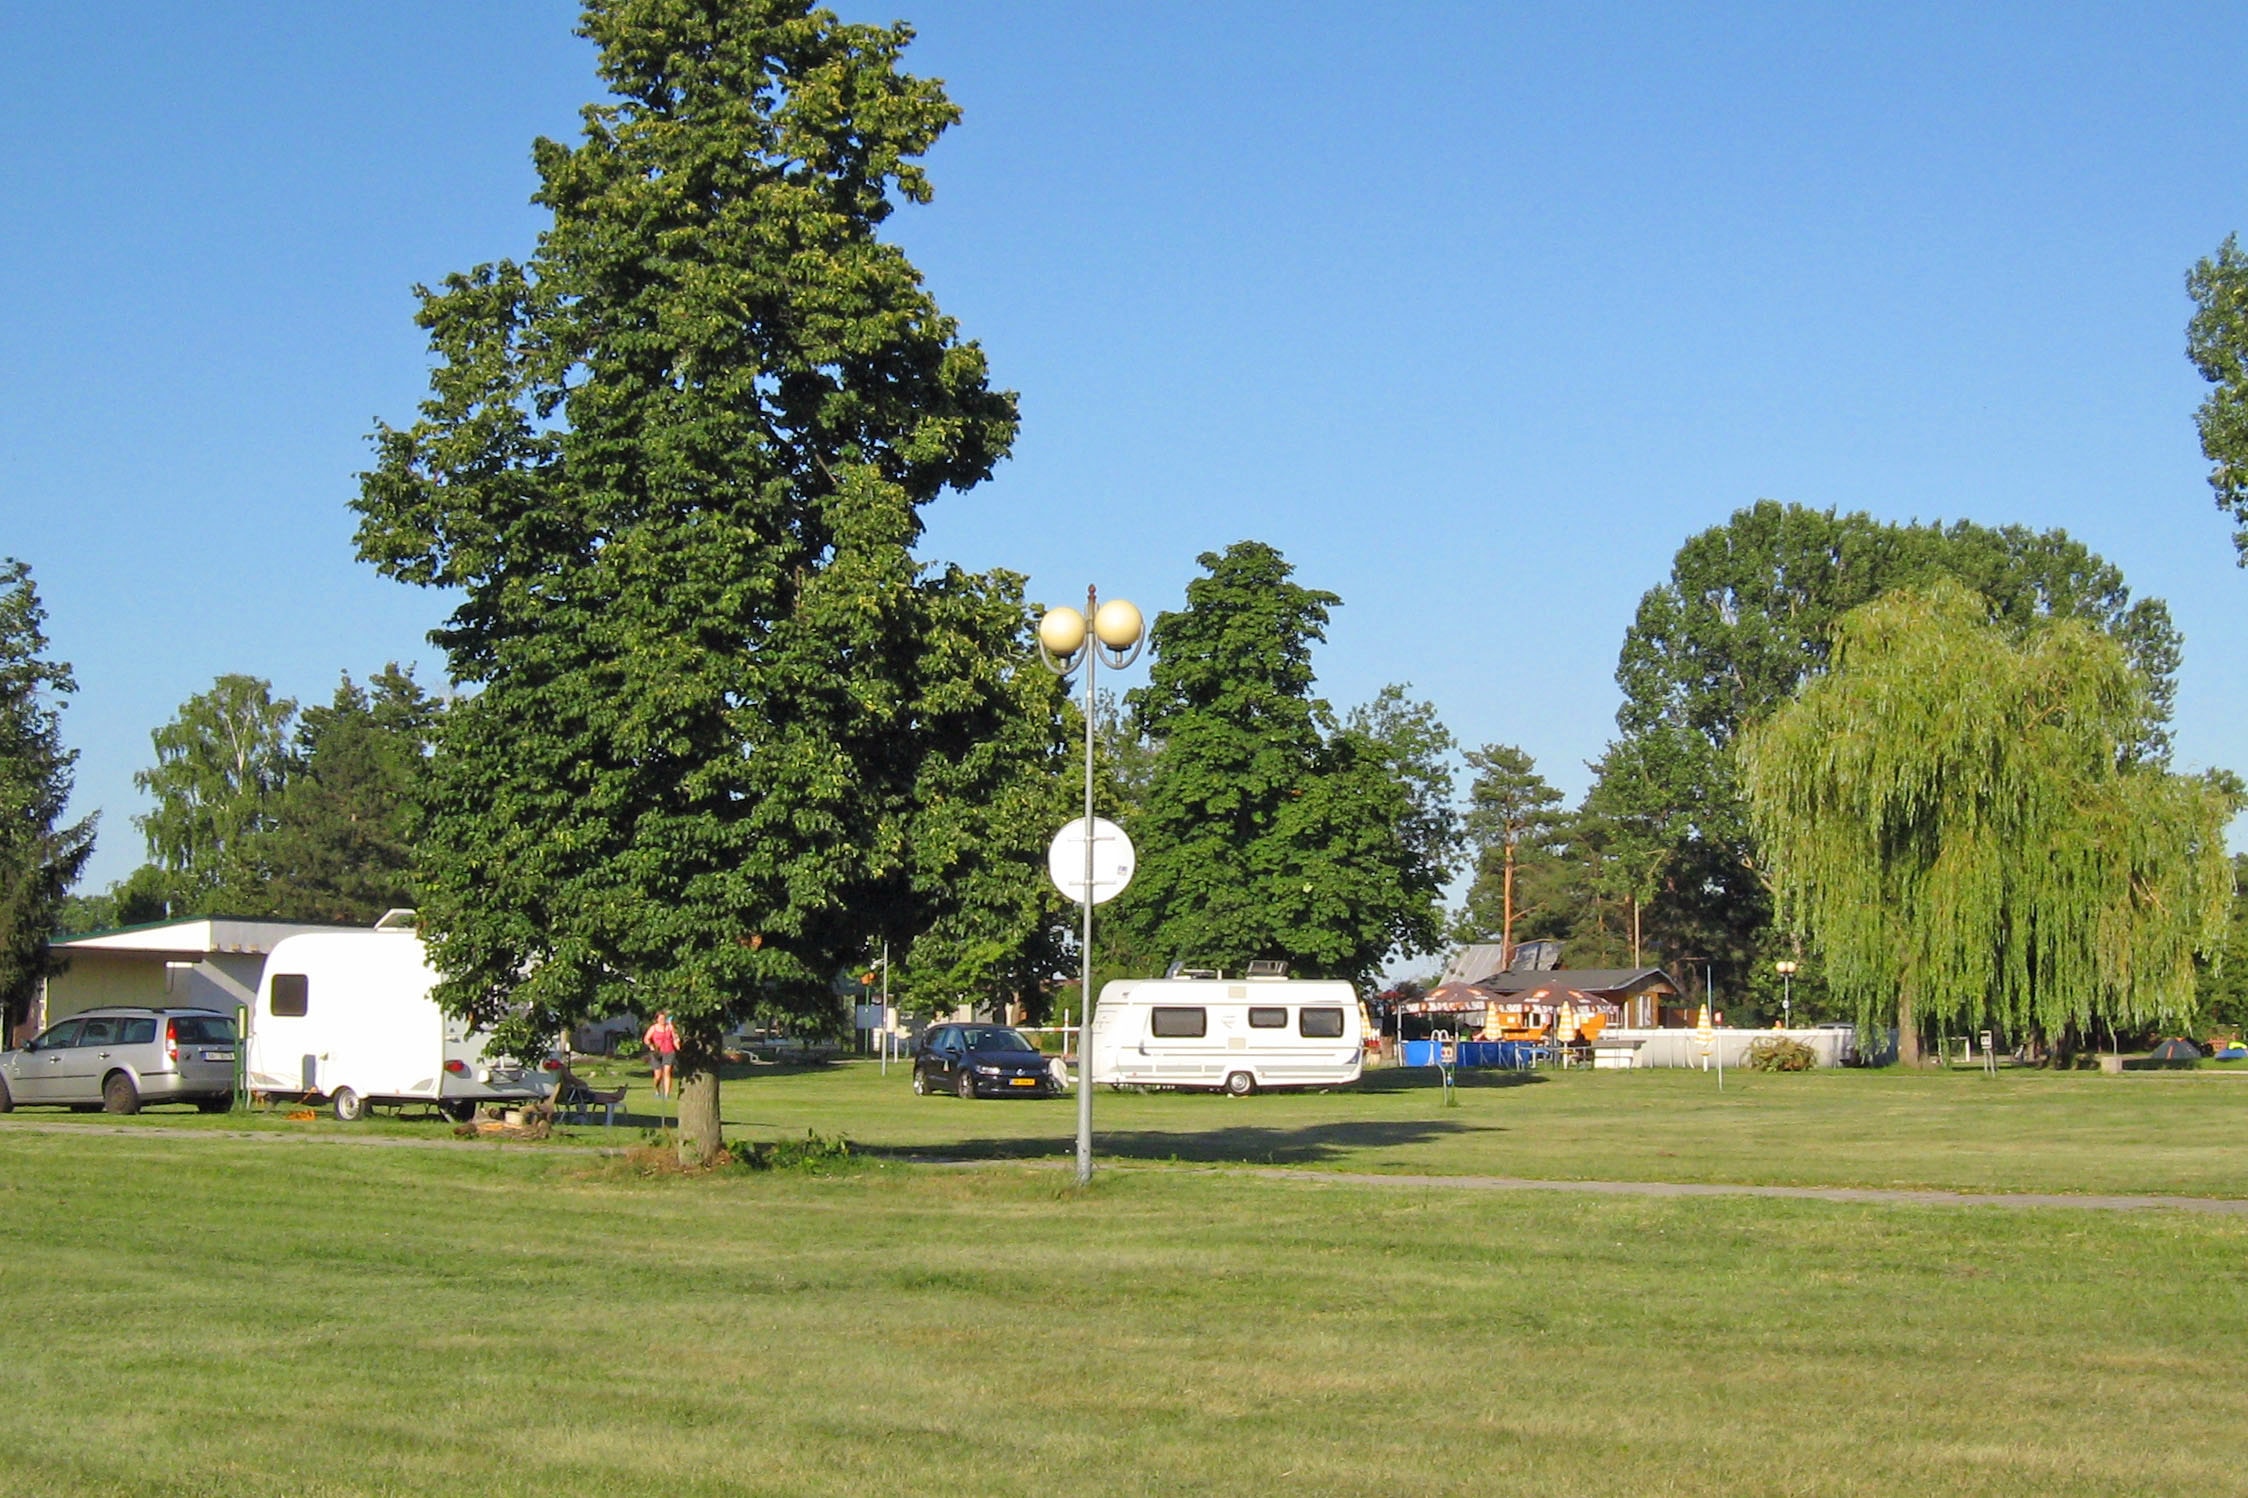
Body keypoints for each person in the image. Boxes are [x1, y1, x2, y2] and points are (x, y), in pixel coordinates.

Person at [643, 1011, 680, 1097]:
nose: (663, 1021)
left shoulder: (669, 1027)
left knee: (667, 1072)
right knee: (658, 1075)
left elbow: (675, 1037)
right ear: (657, 1020)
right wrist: (651, 1046)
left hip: (669, 1051)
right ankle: (657, 1089)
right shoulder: (653, 1028)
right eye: (661, 1019)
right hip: (657, 1052)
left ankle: (667, 1094)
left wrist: (677, 1044)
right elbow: (646, 1039)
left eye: (664, 1019)